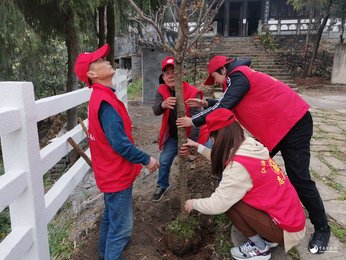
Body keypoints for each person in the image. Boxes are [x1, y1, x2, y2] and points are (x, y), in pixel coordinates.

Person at [176, 55, 330, 254]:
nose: (214, 82)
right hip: (275, 130)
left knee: (299, 178)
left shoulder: (239, 76)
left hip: (293, 124)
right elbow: (227, 102)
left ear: (223, 70)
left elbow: (225, 106)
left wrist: (194, 121)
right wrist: (206, 104)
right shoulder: (235, 81)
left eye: (214, 77)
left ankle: (322, 228)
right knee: (248, 165)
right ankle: (260, 216)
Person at [183, 108, 306, 260]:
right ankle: (268, 236)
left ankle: (260, 249)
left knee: (231, 204)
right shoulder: (248, 145)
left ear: (219, 138)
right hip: (290, 217)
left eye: (212, 138)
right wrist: (198, 147)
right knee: (234, 197)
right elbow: (223, 158)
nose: (212, 142)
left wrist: (193, 203)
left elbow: (218, 204)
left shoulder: (238, 166)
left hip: (286, 229)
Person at [74, 43, 159, 260]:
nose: (107, 61)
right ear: (92, 74)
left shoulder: (101, 97)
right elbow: (120, 144)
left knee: (111, 218)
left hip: (109, 171)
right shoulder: (105, 103)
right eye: (100, 61)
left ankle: (104, 254)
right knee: (122, 229)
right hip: (116, 174)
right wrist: (146, 159)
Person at [151, 56, 210, 202]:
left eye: (174, 71)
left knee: (214, 154)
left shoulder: (192, 92)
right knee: (164, 160)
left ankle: (223, 180)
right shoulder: (162, 90)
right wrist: (163, 105)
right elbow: (156, 110)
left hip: (197, 134)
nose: (171, 75)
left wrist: (192, 144)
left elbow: (198, 120)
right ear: (163, 77)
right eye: (167, 72)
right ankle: (162, 185)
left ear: (181, 74)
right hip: (174, 135)